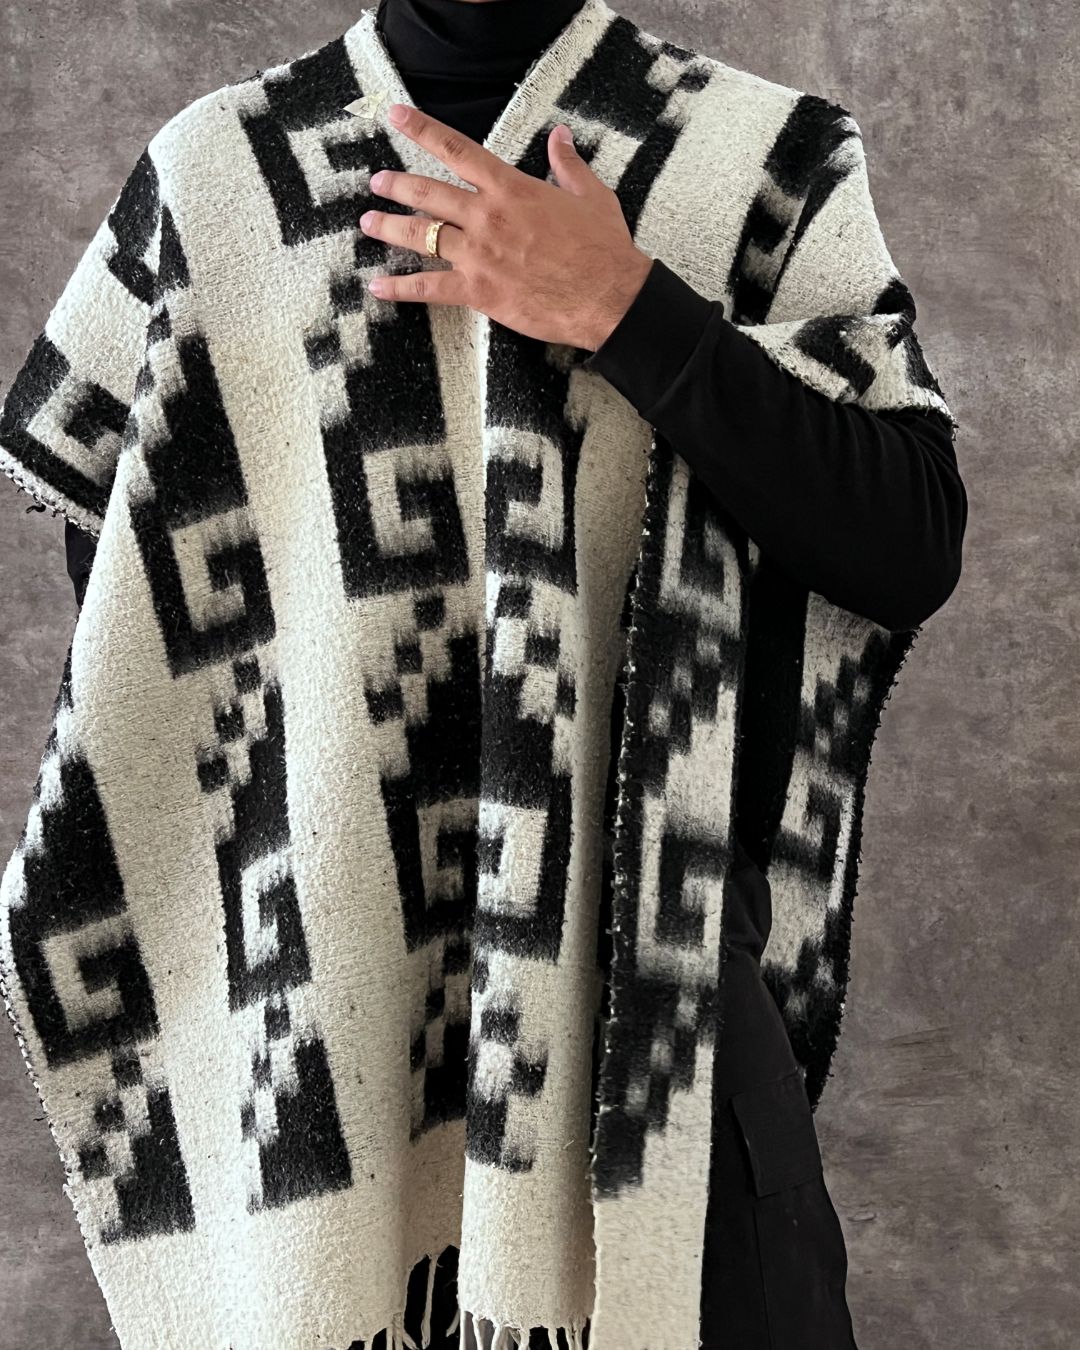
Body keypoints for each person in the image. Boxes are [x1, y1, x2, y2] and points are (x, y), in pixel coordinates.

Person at [22, 1, 966, 1344]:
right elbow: (137, 628)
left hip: (663, 1066)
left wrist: (628, 309)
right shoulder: (216, 183)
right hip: (325, 1076)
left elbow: (911, 539)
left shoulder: (757, 164)